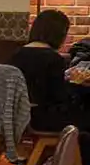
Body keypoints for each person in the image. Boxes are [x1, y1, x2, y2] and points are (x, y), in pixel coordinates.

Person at [11, 9, 88, 139]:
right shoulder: (53, 58)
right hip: (41, 118)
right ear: (59, 34)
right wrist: (76, 84)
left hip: (20, 115)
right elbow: (61, 98)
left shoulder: (17, 54)